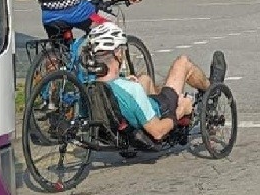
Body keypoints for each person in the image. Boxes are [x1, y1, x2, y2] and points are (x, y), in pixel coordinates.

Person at [85, 23, 227, 142]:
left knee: (144, 79)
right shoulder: (131, 90)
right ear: (117, 53)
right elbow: (157, 131)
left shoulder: (90, 87)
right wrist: (181, 110)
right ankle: (211, 89)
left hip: (125, 115)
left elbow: (118, 90)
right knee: (183, 63)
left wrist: (123, 80)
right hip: (162, 113)